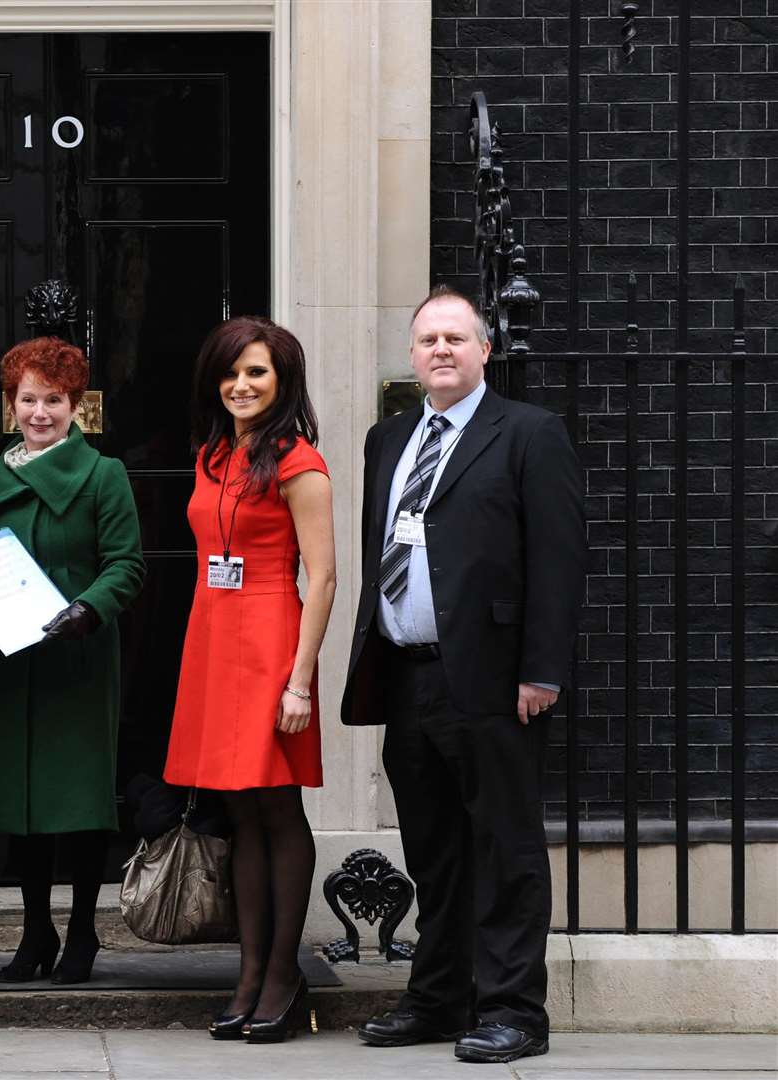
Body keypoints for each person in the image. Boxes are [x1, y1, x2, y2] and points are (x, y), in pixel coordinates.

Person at [342, 286, 583, 1065]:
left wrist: (540, 669)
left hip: (491, 679)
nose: (440, 350)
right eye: (427, 340)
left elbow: (558, 560)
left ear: (484, 350)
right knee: (433, 851)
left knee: (505, 850)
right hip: (406, 676)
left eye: (455, 337)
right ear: (410, 356)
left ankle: (512, 1009)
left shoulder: (528, 433)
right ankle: (439, 996)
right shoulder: (389, 440)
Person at [163, 315, 337, 1045]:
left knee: (276, 808)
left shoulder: (299, 463)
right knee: (238, 812)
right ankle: (248, 971)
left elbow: (323, 577)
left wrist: (298, 683)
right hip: (212, 636)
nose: (241, 385)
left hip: (270, 639)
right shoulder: (212, 455)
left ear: (282, 381)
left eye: (256, 372)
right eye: (231, 372)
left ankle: (281, 975)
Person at [0, 337, 145, 986]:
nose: (39, 412)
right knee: (22, 801)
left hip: (77, 657)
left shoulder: (104, 475)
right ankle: (34, 928)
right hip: (11, 660)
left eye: (53, 400)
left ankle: (81, 931)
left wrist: (86, 610)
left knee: (76, 801)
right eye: (27, 399)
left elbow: (126, 566)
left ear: (77, 405)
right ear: (10, 405)